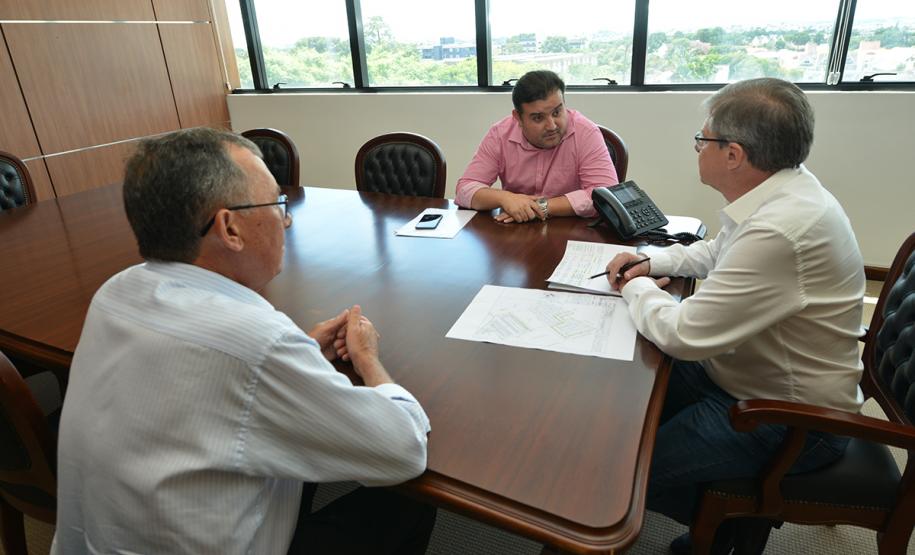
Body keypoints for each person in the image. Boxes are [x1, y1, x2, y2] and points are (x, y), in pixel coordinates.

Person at [53, 128, 435, 555]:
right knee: (407, 502)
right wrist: (368, 361)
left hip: (99, 542)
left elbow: (200, 379)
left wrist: (299, 353)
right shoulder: (255, 340)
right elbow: (402, 450)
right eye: (277, 204)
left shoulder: (116, 292)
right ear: (229, 228)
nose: (286, 220)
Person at [603, 78, 864, 552]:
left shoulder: (780, 230)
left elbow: (683, 335)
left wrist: (634, 285)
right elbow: (717, 251)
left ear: (733, 154)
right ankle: (726, 524)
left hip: (790, 418)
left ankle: (728, 527)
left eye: (702, 140)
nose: (696, 148)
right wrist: (652, 261)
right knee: (620, 397)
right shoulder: (788, 189)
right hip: (745, 376)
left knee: (622, 475)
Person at [455, 70, 618, 223]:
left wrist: (540, 207)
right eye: (538, 118)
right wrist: (505, 198)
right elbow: (465, 189)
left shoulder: (585, 132)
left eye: (557, 112)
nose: (552, 126)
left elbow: (606, 196)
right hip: (517, 233)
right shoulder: (500, 134)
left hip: (574, 230)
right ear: (517, 117)